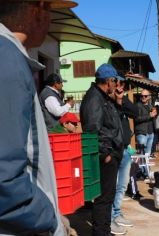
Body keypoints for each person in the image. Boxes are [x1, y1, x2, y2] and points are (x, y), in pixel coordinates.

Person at [0, 1, 77, 235]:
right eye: (51, 10)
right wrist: (49, 218)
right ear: (37, 10)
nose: (51, 20)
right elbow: (5, 182)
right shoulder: (7, 61)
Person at [80, 63, 124, 236]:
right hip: (106, 155)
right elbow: (92, 130)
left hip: (111, 153)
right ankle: (100, 232)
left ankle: (104, 230)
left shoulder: (103, 97)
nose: (116, 85)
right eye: (114, 81)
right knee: (103, 199)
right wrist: (105, 154)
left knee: (107, 197)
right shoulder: (94, 99)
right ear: (108, 80)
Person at [111, 77, 138, 233]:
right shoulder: (106, 101)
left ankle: (117, 213)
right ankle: (110, 217)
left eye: (122, 85)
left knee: (122, 186)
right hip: (113, 150)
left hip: (125, 149)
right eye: (117, 84)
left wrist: (122, 99)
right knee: (111, 187)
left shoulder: (122, 102)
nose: (120, 87)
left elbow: (134, 112)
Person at [134, 89, 157, 156]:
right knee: (142, 154)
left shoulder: (151, 106)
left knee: (147, 154)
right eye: (142, 96)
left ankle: (146, 167)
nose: (143, 97)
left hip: (150, 132)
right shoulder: (137, 106)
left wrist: (154, 116)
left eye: (145, 96)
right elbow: (136, 119)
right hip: (142, 133)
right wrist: (149, 115)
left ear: (149, 97)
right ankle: (142, 167)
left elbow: (152, 118)